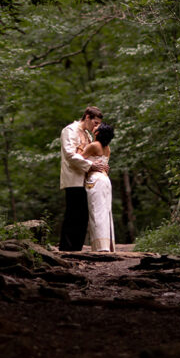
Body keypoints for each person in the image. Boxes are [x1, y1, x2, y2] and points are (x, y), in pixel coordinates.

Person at [57, 106, 102, 251]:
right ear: (87, 117)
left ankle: (77, 248)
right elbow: (70, 155)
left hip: (87, 178)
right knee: (73, 213)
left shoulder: (87, 134)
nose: (96, 126)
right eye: (95, 123)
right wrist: (90, 165)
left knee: (83, 215)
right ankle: (66, 248)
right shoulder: (70, 130)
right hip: (73, 177)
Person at [79, 123, 115, 252]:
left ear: (98, 133)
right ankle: (107, 245)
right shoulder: (107, 148)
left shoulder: (93, 145)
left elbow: (79, 159)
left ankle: (101, 247)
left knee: (96, 212)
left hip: (95, 179)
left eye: (96, 127)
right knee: (105, 212)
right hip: (106, 179)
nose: (94, 127)